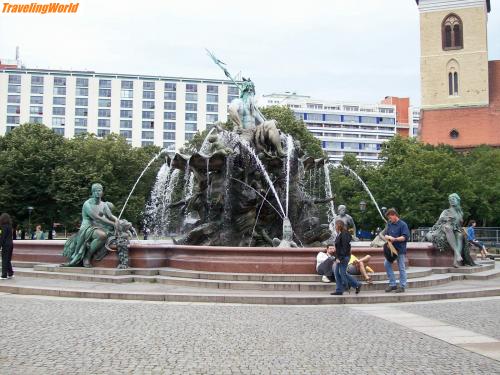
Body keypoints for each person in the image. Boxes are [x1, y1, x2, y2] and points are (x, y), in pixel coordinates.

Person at [62, 183, 117, 267]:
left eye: (100, 190)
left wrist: (118, 221)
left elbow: (110, 216)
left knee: (111, 233)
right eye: (96, 191)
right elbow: (97, 218)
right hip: (87, 227)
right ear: (92, 192)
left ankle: (90, 255)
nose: (98, 192)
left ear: (102, 192)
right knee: (102, 236)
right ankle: (87, 257)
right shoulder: (87, 204)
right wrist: (113, 224)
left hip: (100, 227)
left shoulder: (103, 204)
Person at [331, 220, 362, 295]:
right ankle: (339, 290)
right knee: (337, 273)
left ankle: (356, 284)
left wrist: (340, 258)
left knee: (342, 273)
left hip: (344, 257)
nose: (334, 227)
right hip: (341, 257)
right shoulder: (341, 233)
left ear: (339, 225)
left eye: (335, 225)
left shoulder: (344, 234)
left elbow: (345, 248)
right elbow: (340, 247)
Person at [383, 208, 410, 293]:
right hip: (391, 248)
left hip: (400, 249)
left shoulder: (403, 224)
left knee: (401, 268)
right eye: (389, 218)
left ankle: (402, 286)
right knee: (386, 264)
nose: (389, 220)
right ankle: (393, 284)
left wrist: (395, 239)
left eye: (390, 218)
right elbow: (386, 234)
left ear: (394, 215)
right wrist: (387, 237)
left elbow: (405, 237)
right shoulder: (390, 224)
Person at [0, 213, 15, 280]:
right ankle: (10, 273)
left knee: (4, 260)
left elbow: (2, 237)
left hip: (5, 245)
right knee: (8, 259)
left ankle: (4, 275)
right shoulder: (9, 226)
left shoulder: (3, 227)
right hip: (11, 244)